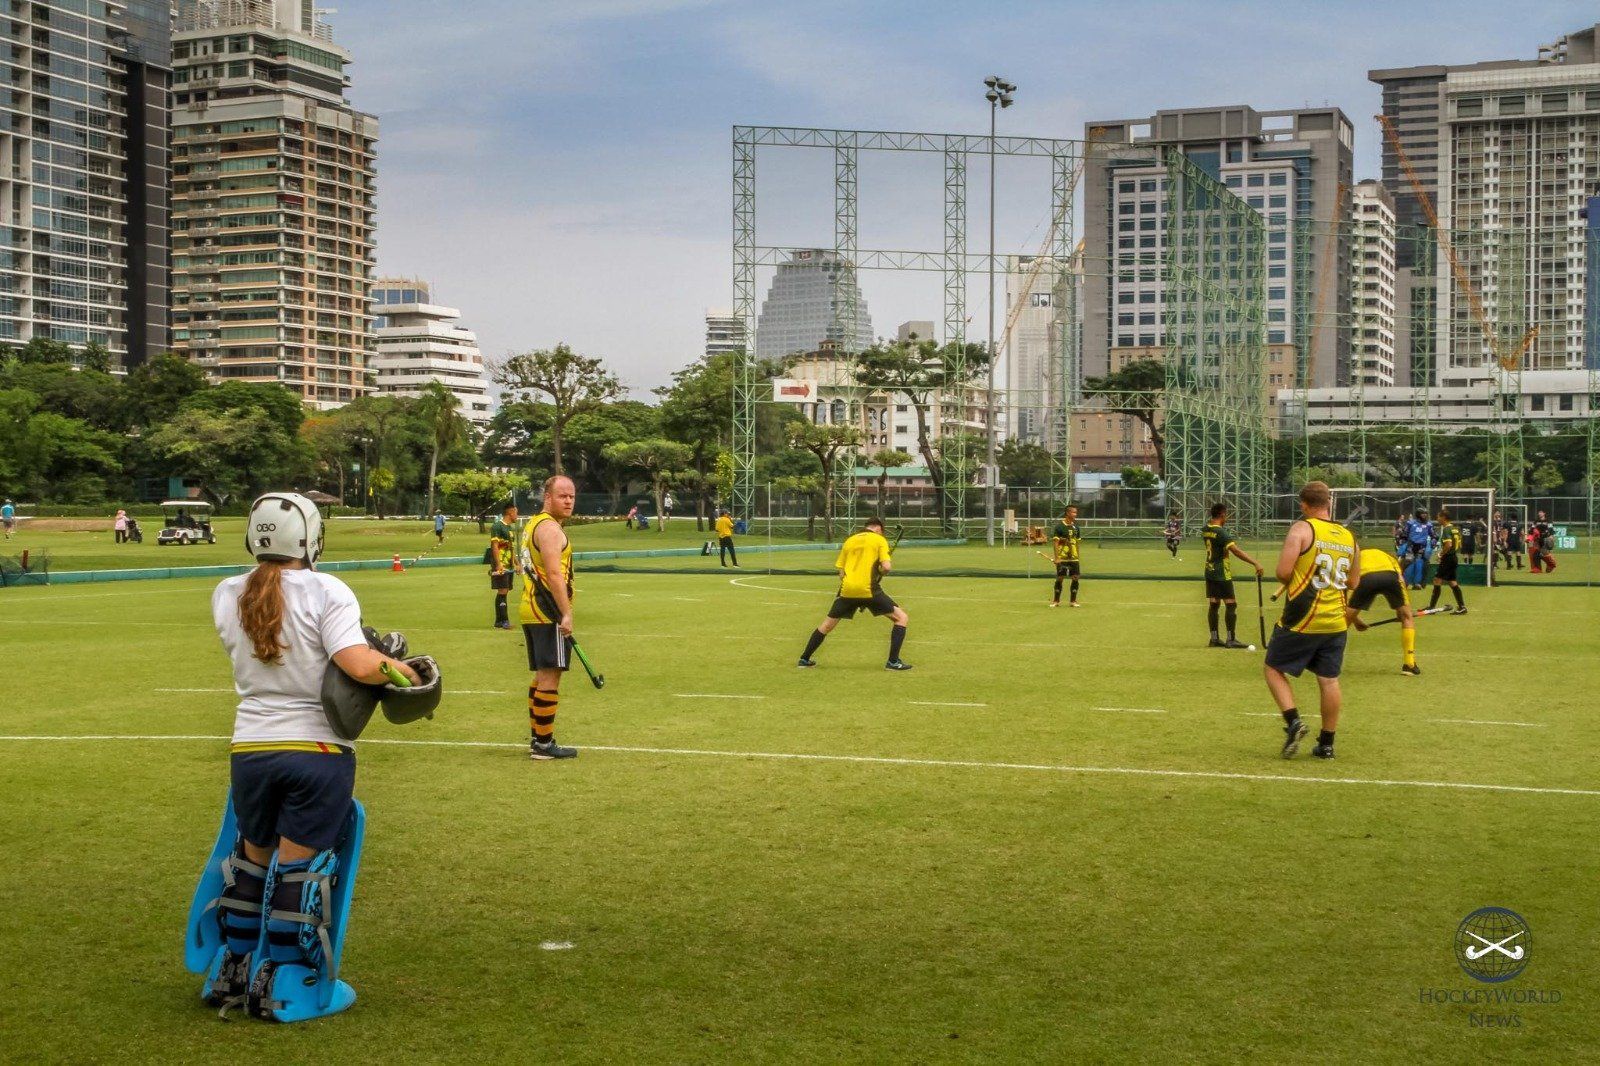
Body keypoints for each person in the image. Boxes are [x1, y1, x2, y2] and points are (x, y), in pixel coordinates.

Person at [199, 491, 418, 1018]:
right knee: (301, 871)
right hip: (316, 750)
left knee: (251, 861)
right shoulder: (327, 589)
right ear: (312, 537)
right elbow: (357, 663)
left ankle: (233, 969)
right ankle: (284, 984)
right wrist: (403, 671)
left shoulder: (227, 592)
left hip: (249, 748)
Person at [1263, 481, 1358, 761]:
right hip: (1336, 620)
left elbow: (1283, 572)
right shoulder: (1348, 536)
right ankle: (1326, 744)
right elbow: (1353, 581)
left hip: (1303, 615)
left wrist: (1301, 577)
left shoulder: (1302, 529)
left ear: (1303, 504)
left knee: (1272, 668)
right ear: (1328, 503)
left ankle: (1293, 722)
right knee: (1329, 681)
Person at [518, 475, 579, 760]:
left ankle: (538, 738)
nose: (568, 501)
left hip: (532, 607)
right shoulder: (550, 529)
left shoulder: (533, 524)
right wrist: (566, 612)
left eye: (571, 496)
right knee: (550, 675)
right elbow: (554, 574)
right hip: (547, 610)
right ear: (548, 497)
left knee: (543, 673)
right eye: (562, 496)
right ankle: (543, 744)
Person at [797, 516, 910, 670]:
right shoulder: (879, 540)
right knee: (901, 618)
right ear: (879, 529)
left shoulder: (849, 541)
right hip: (869, 589)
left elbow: (841, 574)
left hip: (847, 590)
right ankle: (893, 662)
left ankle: (804, 659)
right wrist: (880, 571)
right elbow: (887, 567)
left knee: (826, 625)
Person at [1345, 547, 1420, 675]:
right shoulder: (1390, 558)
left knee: (1343, 621)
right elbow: (1400, 580)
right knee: (1407, 618)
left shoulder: (1354, 556)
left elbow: (1349, 584)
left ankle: (1327, 659)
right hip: (1390, 576)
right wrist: (1402, 614)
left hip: (1365, 577)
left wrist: (1355, 619)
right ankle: (1409, 664)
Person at [1201, 502, 1264, 649]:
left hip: (1209, 570)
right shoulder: (1221, 532)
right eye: (1227, 514)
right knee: (1231, 604)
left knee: (1214, 604)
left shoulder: (1206, 529)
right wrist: (1255, 563)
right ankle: (1231, 639)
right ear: (1222, 514)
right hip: (1222, 573)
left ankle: (1214, 638)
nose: (1227, 517)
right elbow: (1236, 551)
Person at [1426, 509, 1467, 615]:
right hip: (1453, 557)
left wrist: (1441, 554)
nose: (1437, 519)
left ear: (1443, 517)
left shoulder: (1447, 529)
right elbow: (1459, 544)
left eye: (1438, 517)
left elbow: (1448, 545)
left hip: (1448, 558)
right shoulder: (1455, 528)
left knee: (1437, 580)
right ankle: (1462, 607)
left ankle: (1431, 608)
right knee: (1452, 582)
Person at [488, 503, 518, 630]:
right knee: (502, 590)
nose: (517, 515)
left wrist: (517, 563)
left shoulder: (509, 528)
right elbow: (494, 546)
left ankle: (498, 621)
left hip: (509, 564)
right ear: (510, 512)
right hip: (501, 564)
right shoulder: (497, 526)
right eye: (516, 512)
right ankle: (504, 621)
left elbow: (511, 548)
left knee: (504, 591)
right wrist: (499, 564)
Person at [1049, 505, 1083, 608]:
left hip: (1074, 558)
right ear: (1067, 513)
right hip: (1062, 557)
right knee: (1060, 578)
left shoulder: (1076, 527)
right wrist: (1057, 557)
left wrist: (1077, 556)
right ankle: (1056, 601)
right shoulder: (1059, 527)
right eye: (1073, 512)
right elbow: (1055, 542)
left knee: (1075, 577)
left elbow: (1077, 542)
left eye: (1076, 513)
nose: (1075, 515)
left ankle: (1073, 601)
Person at [1401, 508, 1433, 589]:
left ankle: (1417, 584)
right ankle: (1405, 583)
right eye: (1423, 513)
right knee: (1409, 564)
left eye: (1426, 513)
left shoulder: (1429, 525)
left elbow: (1435, 536)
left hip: (1421, 548)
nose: (1425, 515)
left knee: (1419, 564)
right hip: (1410, 547)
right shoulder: (1410, 523)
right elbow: (1404, 534)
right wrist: (1402, 544)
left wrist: (1432, 544)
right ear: (1418, 514)